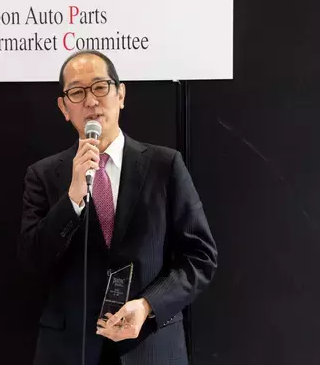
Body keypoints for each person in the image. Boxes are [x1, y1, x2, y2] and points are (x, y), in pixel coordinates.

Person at [19, 50, 218, 365]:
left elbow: (200, 256)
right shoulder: (43, 175)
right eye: (77, 92)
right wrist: (72, 199)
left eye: (100, 87)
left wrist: (148, 305)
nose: (91, 101)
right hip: (71, 349)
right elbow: (32, 261)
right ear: (64, 108)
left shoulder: (164, 165)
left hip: (150, 346)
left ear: (121, 94)